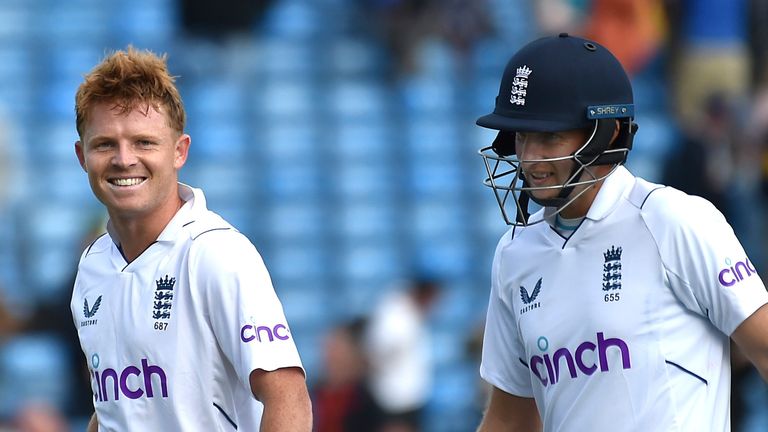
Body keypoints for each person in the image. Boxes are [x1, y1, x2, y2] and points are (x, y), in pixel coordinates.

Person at [473, 33, 768, 431]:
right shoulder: (513, 255)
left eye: (549, 137)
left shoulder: (673, 220)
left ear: (607, 132)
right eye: (522, 137)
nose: (530, 158)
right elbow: (510, 421)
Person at [70, 46, 311, 431]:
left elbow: (289, 399)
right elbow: (114, 410)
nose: (124, 158)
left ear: (179, 151)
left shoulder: (217, 253)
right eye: (105, 144)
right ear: (82, 156)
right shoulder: (91, 266)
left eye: (144, 142)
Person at [363, 278, 440, 432]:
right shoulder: (395, 312)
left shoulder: (412, 312)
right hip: (392, 396)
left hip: (409, 396)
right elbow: (379, 350)